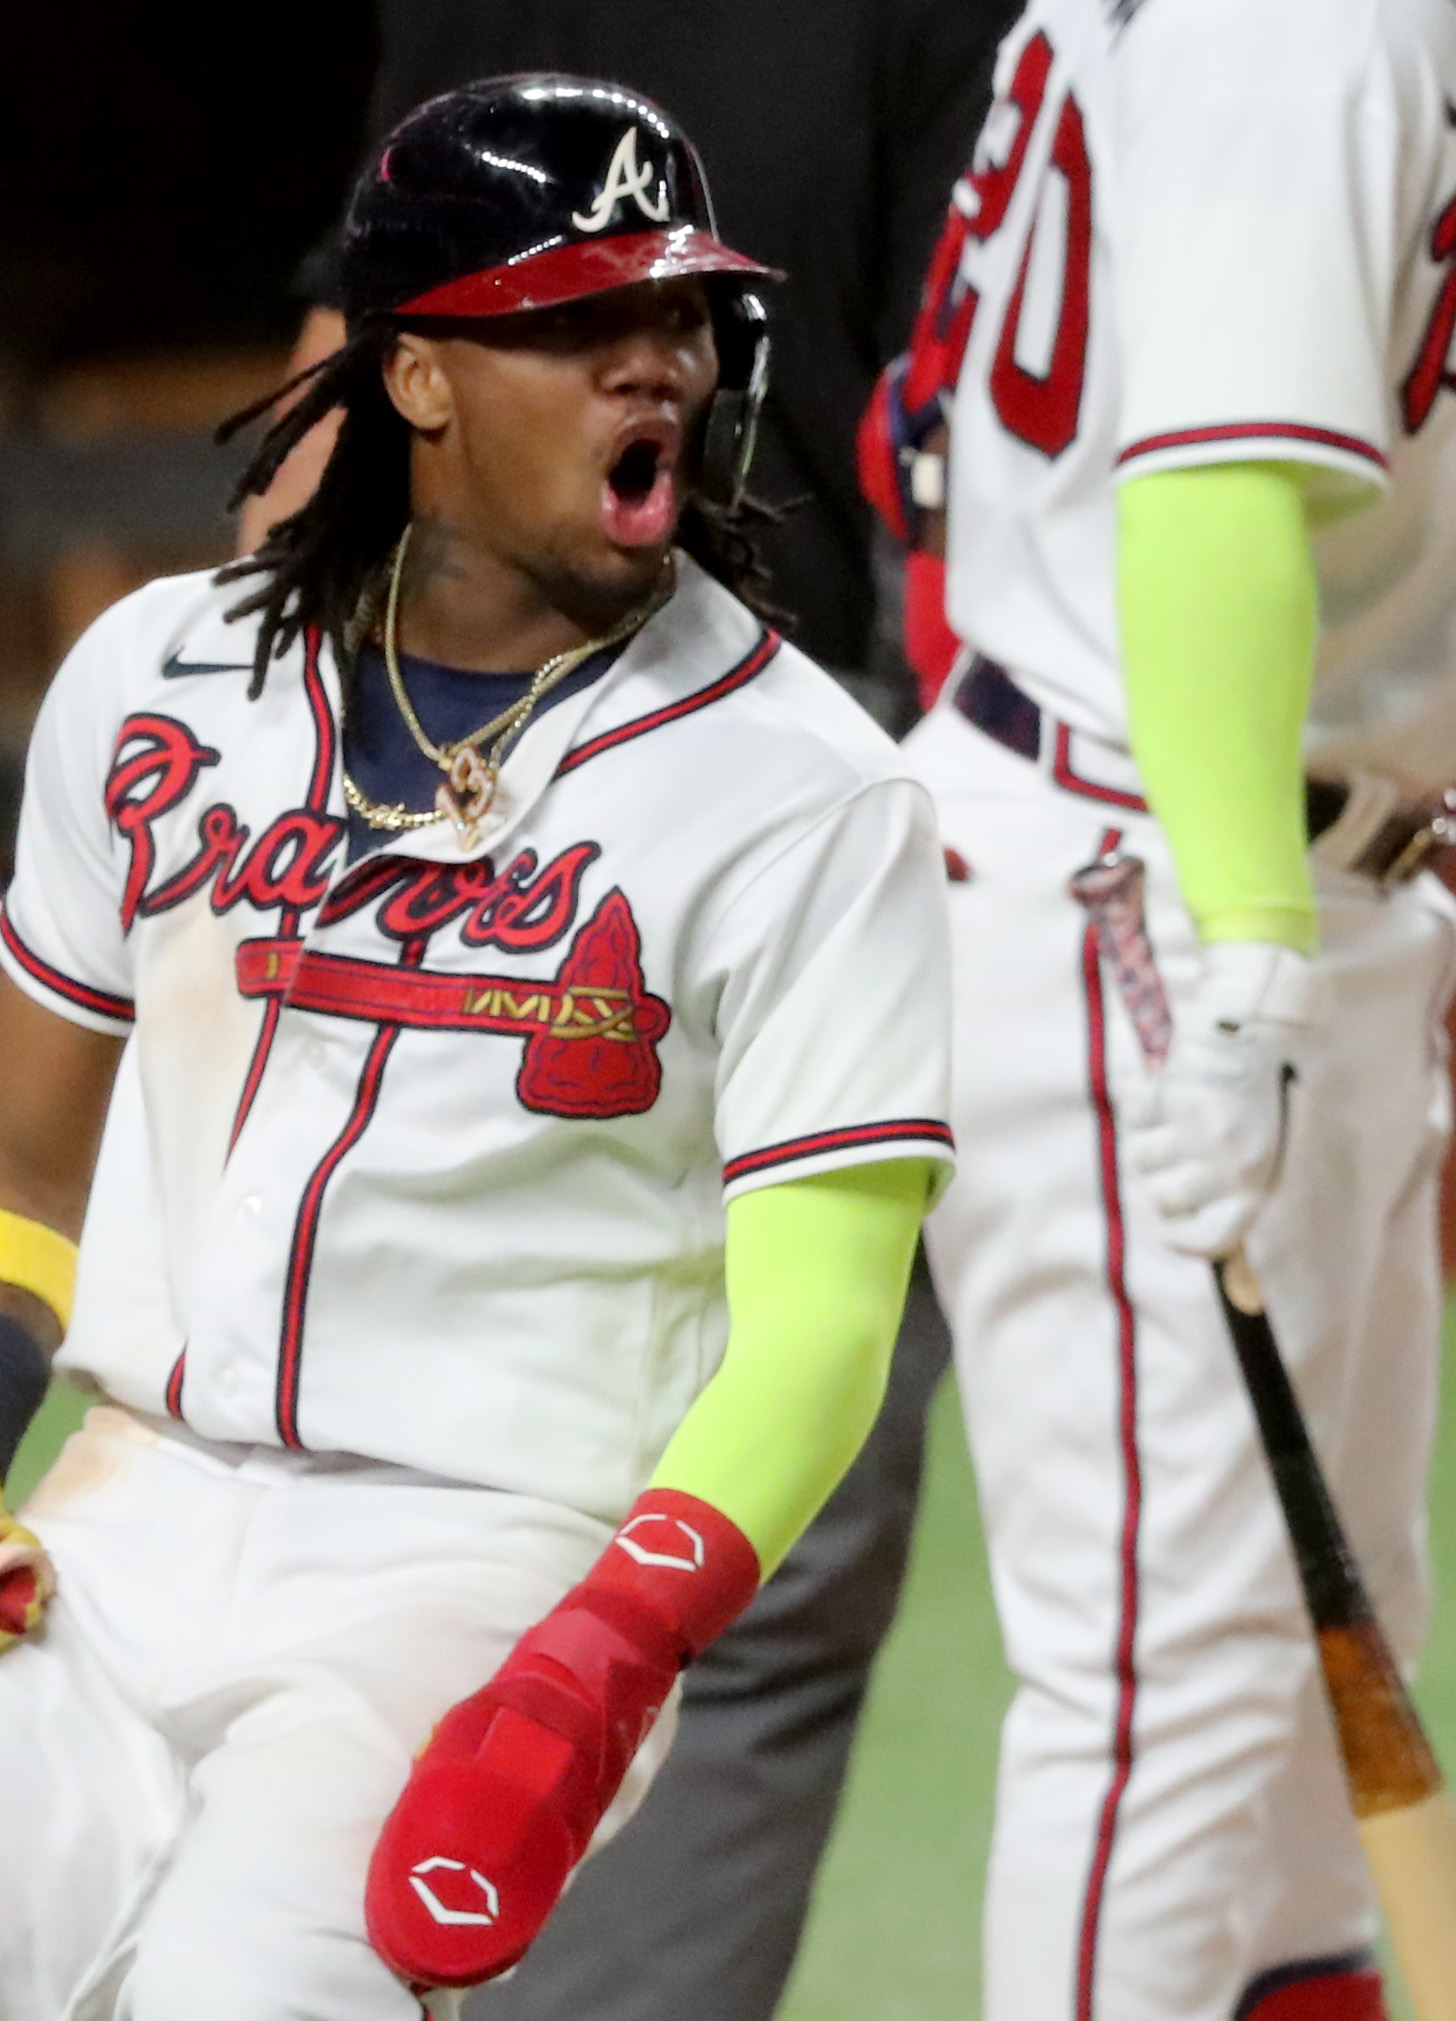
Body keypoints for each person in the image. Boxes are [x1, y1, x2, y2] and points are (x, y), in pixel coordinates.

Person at [0, 76, 956, 2020]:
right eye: (577, 320)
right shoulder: (162, 685)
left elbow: (824, 1329)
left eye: (679, 317)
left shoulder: (806, 795)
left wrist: (604, 1655)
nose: (655, 365)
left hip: (475, 1572)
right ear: (416, 376)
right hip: (113, 1527)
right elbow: (12, 1163)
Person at [232, 13, 1011, 2015]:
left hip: (707, 800)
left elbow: (347, 365)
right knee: (706, 1538)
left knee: (428, 1475)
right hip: (682, 798)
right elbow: (999, 429)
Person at [861, 2, 1456, 2016]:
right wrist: (1247, 951)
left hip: (1240, 861)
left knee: (1315, 1655)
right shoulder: (1300, 29)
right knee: (1176, 1681)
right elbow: (1205, 502)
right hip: (1166, 881)